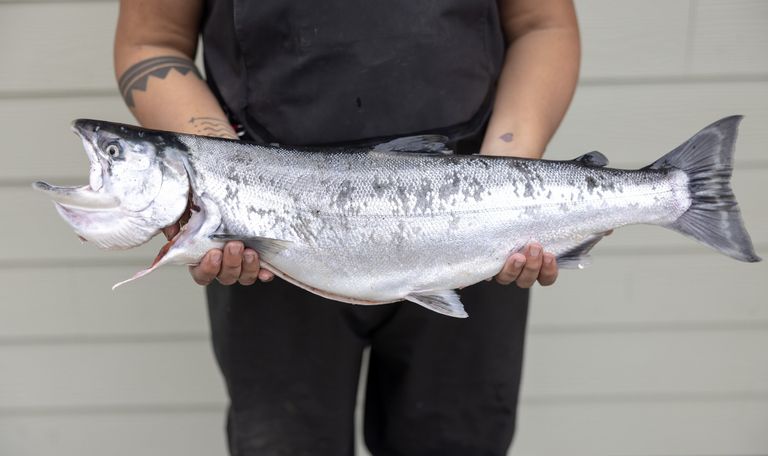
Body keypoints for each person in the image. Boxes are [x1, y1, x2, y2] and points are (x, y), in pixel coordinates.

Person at [114, 0, 579, 454]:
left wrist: (510, 186)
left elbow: (542, 23)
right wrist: (229, 183)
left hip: (467, 229)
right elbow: (153, 40)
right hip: (270, 243)